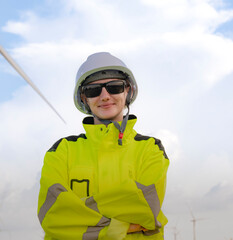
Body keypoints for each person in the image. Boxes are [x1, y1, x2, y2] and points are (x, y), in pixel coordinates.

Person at [38, 52, 169, 240]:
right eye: (93, 90)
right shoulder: (61, 150)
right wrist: (121, 226)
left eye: (114, 87)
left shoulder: (151, 148)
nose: (105, 96)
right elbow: (52, 215)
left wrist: (78, 215)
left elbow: (147, 206)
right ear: (84, 98)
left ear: (128, 91)